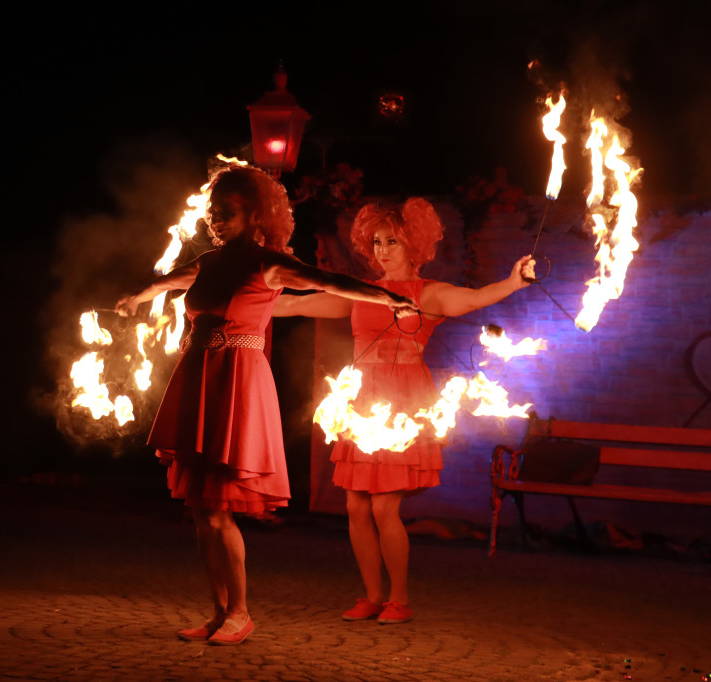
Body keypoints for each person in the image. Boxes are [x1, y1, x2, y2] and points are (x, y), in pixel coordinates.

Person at [115, 165, 417, 645]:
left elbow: (330, 282)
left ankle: (240, 613)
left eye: (226, 212)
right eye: (213, 212)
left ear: (254, 214)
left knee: (218, 508)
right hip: (199, 377)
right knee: (199, 509)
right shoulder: (210, 263)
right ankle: (217, 612)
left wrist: (386, 297)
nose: (215, 219)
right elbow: (173, 280)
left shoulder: (268, 264)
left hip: (238, 381)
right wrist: (140, 295)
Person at [274, 197, 535, 624]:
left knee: (383, 508)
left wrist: (511, 282)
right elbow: (294, 303)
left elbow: (474, 299)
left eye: (391, 241)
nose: (381, 250)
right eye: (376, 242)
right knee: (356, 507)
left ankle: (399, 599)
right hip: (361, 401)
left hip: (402, 401)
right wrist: (243, 297)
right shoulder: (358, 292)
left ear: (412, 243)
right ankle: (372, 596)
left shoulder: (427, 293)